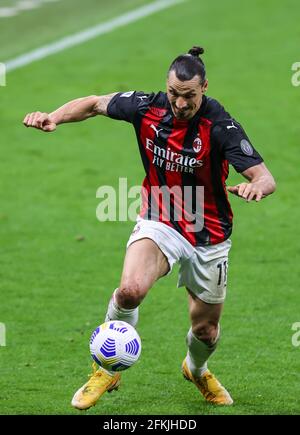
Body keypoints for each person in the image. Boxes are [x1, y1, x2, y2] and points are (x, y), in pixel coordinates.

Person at [23, 46, 276, 410]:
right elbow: (95, 103)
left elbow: (264, 176)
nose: (180, 103)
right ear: (166, 87)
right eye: (174, 93)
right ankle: (106, 368)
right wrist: (54, 117)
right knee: (129, 291)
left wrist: (257, 187)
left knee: (205, 330)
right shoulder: (147, 107)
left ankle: (196, 368)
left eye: (188, 96)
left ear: (204, 87)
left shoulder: (221, 126)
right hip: (161, 219)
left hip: (210, 233)